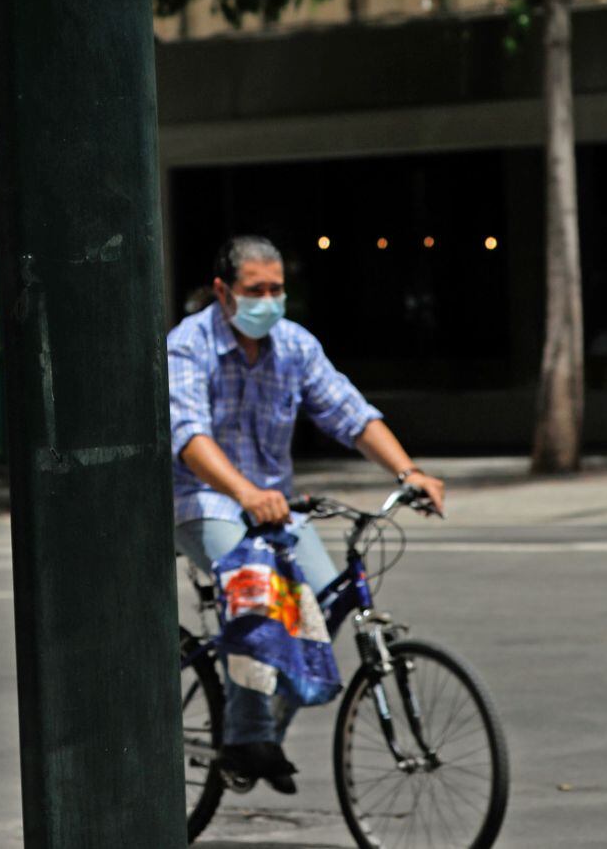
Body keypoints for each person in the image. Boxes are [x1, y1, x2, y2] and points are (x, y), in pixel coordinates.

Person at [168, 234, 445, 794]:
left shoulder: (294, 345)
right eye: (255, 290)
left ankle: (262, 732)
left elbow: (350, 413)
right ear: (223, 291)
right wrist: (245, 492)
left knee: (323, 600)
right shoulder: (188, 344)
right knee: (258, 587)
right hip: (201, 500)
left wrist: (407, 472)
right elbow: (188, 436)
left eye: (277, 290)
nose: (268, 301)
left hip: (274, 508)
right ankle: (246, 737)